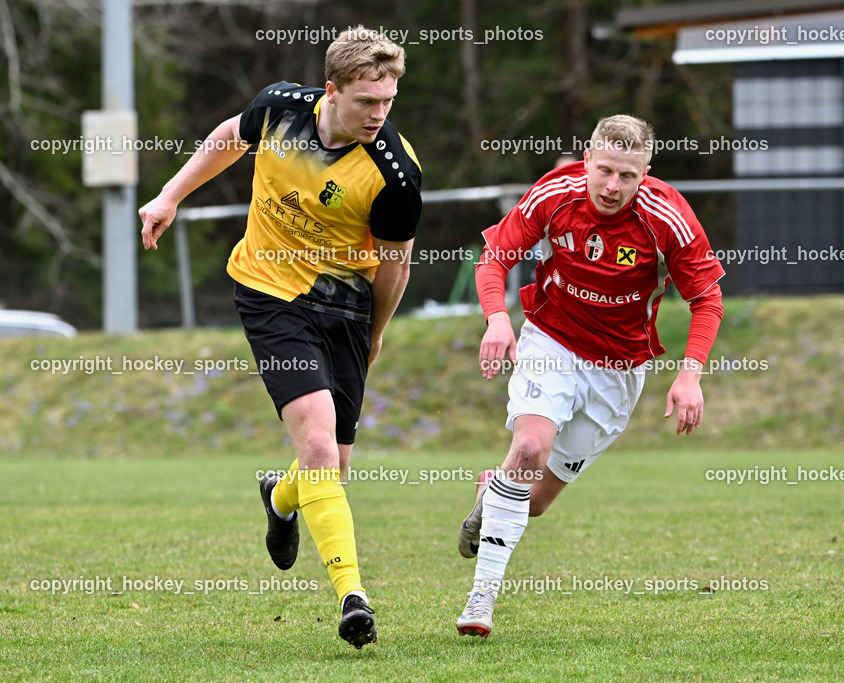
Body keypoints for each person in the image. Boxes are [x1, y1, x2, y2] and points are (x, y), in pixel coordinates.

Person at [138, 26, 421, 650]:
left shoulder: (395, 175)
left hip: (344, 306)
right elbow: (230, 138)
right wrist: (169, 195)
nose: (379, 114)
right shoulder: (281, 107)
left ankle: (280, 495)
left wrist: (375, 334)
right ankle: (354, 598)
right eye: (367, 101)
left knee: (333, 467)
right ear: (332, 90)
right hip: (268, 293)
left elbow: (394, 266)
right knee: (319, 446)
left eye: (389, 101)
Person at [455, 115, 725, 638]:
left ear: (646, 172)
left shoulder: (667, 216)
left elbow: (707, 299)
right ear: (587, 160)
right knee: (530, 447)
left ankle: (496, 491)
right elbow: (494, 260)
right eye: (603, 171)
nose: (612, 186)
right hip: (551, 340)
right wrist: (496, 318)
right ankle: (480, 598)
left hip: (620, 369)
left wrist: (690, 375)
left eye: (628, 175)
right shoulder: (554, 193)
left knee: (531, 502)